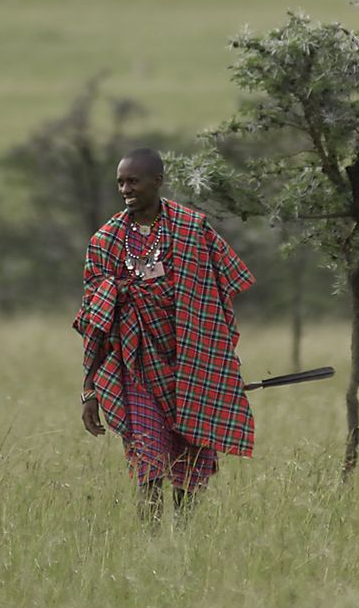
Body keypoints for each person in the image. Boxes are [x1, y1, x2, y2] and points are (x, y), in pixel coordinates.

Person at [74, 148, 254, 518]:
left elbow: (218, 295)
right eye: (121, 181)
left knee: (191, 454)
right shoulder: (105, 240)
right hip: (135, 364)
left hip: (191, 361)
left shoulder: (192, 229)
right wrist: (89, 388)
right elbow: (94, 320)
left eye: (133, 181)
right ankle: (152, 541)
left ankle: (184, 537)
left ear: (157, 181)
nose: (126, 188)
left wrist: (219, 362)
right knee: (148, 455)